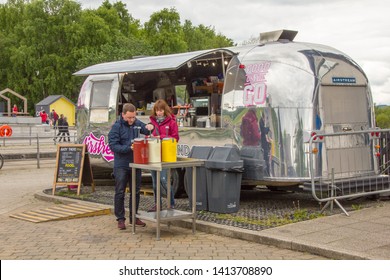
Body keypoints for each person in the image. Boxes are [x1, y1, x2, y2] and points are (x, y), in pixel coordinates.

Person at [108, 103, 154, 230]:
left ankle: (134, 216)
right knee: (120, 192)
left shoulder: (136, 123)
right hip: (121, 164)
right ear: (123, 115)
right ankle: (120, 219)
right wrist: (129, 148)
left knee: (136, 191)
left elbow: (146, 128)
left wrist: (151, 127)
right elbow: (113, 146)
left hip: (135, 163)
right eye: (129, 118)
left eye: (133, 117)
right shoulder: (116, 127)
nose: (131, 120)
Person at [148, 99, 179, 212]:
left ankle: (171, 203)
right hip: (154, 154)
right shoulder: (152, 122)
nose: (159, 113)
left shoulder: (172, 122)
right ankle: (157, 204)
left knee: (164, 180)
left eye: (161, 110)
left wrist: (160, 137)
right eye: (157, 111)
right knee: (155, 182)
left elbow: (175, 138)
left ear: (165, 110)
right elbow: (150, 134)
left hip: (166, 155)